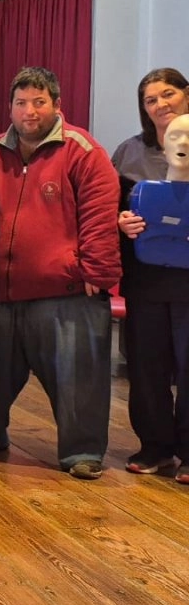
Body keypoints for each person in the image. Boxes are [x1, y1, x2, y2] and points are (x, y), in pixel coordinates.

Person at [0, 66, 121, 480]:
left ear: (56, 104)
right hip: (0, 292)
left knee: (79, 379)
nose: (30, 111)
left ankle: (82, 452)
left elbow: (100, 211)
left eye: (39, 102)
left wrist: (97, 270)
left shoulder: (82, 150)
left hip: (66, 291)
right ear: (10, 107)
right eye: (21, 103)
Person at [117, 98, 189, 481]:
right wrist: (121, 222)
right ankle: (155, 446)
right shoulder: (134, 171)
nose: (182, 144)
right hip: (146, 282)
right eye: (175, 137)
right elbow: (108, 209)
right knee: (146, 367)